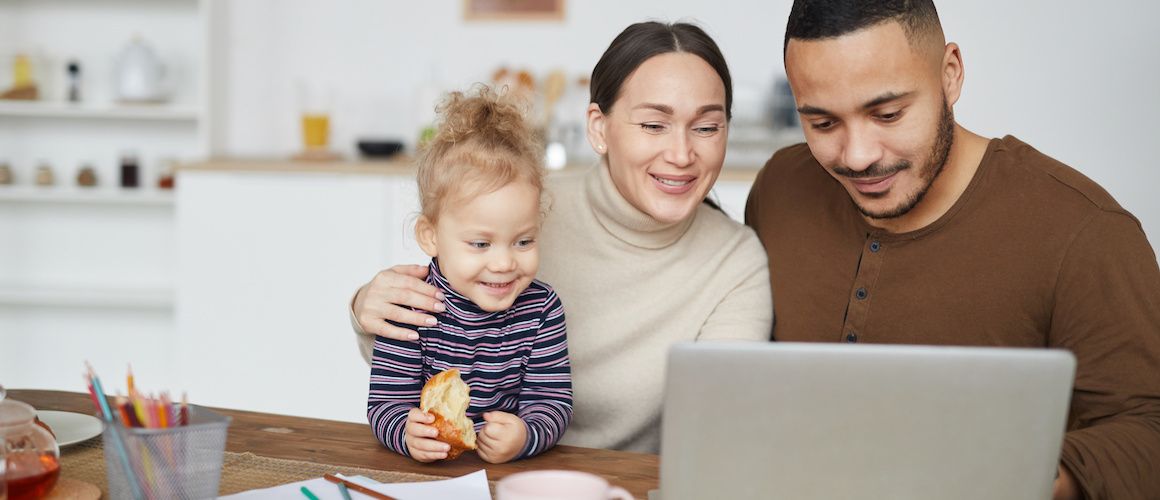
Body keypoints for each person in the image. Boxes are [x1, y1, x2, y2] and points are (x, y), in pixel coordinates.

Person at [745, 1, 1160, 498]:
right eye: (823, 123)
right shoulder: (779, 189)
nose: (857, 156)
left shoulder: (1086, 231)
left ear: (950, 75)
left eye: (888, 113)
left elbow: (1147, 433)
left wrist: (1011, 475)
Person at [353, 22, 773, 453]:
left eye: (706, 128)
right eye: (653, 125)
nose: (682, 154)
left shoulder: (735, 262)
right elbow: (419, 358)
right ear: (598, 127)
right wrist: (366, 305)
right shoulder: (521, 210)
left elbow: (720, 428)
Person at [366, 86, 572, 464]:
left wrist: (525, 435)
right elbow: (385, 404)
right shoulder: (412, 306)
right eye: (481, 244)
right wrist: (406, 433)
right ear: (431, 236)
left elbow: (553, 403)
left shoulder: (542, 309)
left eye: (523, 241)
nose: (504, 263)